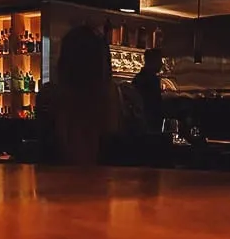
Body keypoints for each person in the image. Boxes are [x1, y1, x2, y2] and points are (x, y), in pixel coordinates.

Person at [38, 26, 144, 165]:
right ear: (105, 62)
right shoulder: (125, 98)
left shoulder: (49, 98)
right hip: (116, 182)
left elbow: (44, 152)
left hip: (60, 182)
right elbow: (142, 152)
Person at [131, 48, 164, 129]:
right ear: (152, 61)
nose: (162, 64)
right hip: (148, 125)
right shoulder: (151, 80)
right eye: (159, 60)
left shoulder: (138, 78)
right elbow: (154, 105)